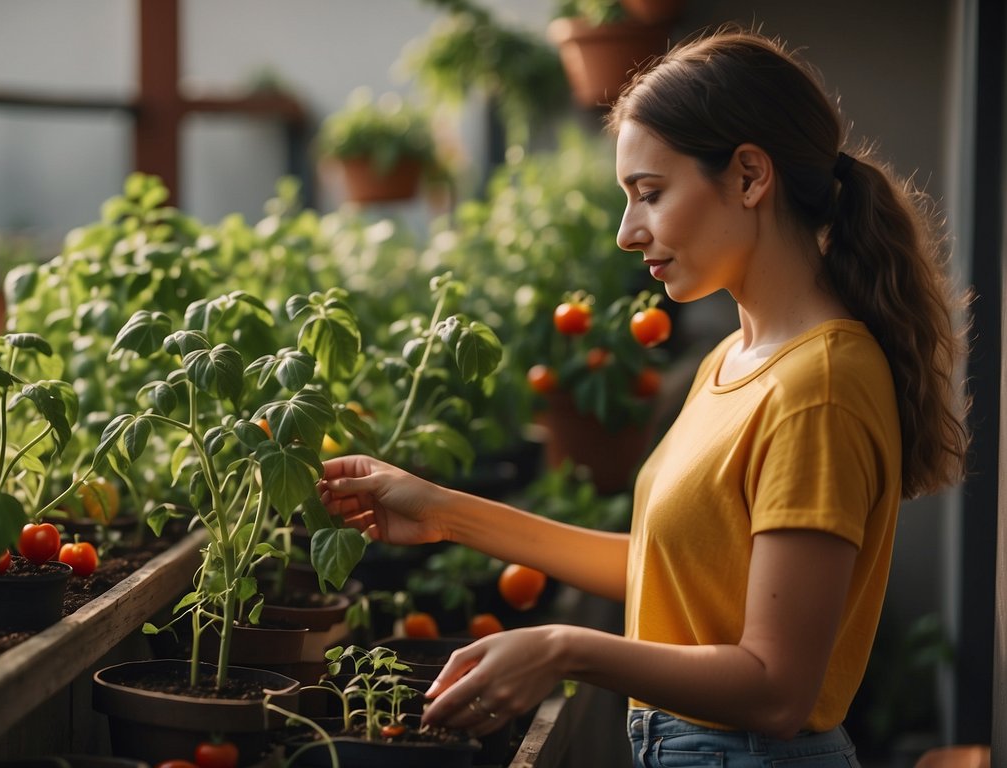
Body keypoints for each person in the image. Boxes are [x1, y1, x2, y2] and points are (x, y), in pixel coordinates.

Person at [317, 25, 968, 767]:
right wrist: (442, 511)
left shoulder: (818, 385)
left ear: (750, 177)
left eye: (650, 194)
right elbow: (671, 572)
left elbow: (776, 690)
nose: (628, 233)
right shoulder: (734, 360)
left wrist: (563, 648)